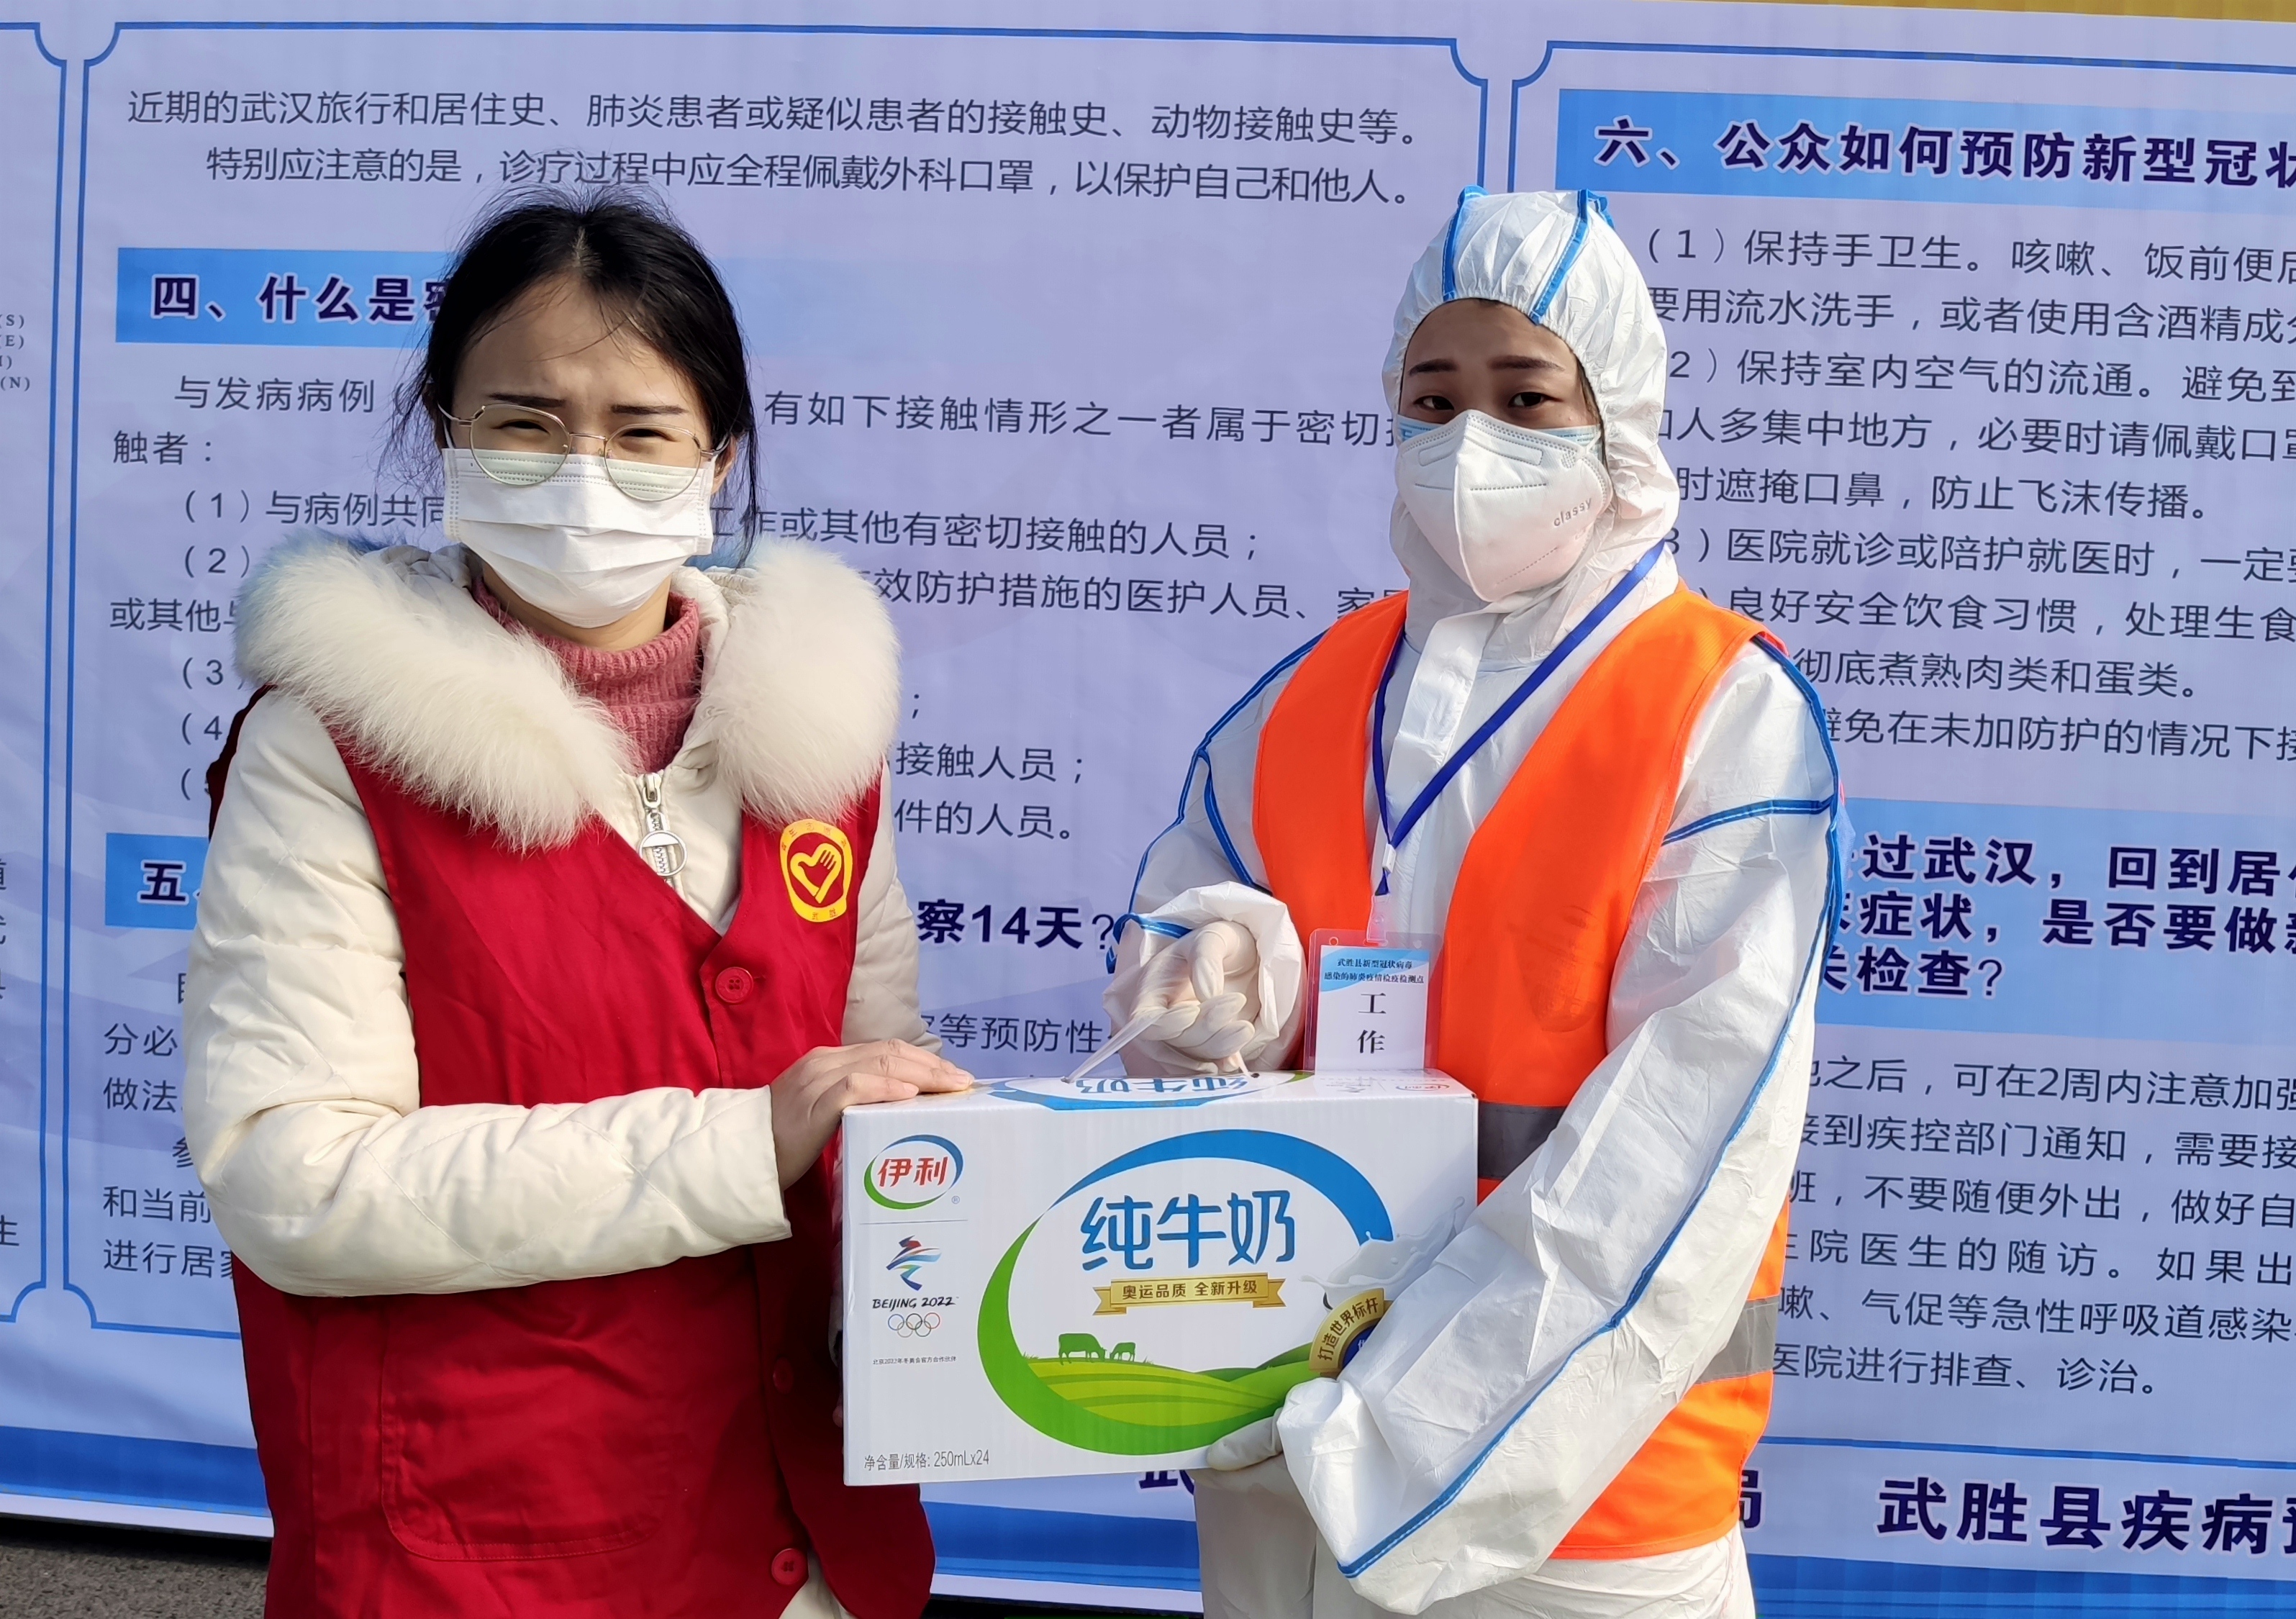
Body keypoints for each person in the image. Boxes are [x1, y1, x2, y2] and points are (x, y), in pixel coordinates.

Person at [184, 190, 969, 1618]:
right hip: (477, 1549)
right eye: (526, 422)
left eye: (641, 431)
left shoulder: (820, 732)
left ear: (719, 458)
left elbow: (873, 1104)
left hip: (798, 1540)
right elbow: (294, 1178)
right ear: (445, 430)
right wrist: (743, 1140)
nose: (581, 473)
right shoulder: (333, 747)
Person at [1105, 189, 1839, 1619]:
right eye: (1434, 400)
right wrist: (1223, 981)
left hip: (1573, 1507)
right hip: (1279, 1451)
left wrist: (1393, 1442)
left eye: (1527, 398)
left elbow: (1679, 1146)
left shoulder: (1723, 714)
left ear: (1618, 417)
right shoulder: (1307, 696)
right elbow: (1180, 959)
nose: (1471, 442)